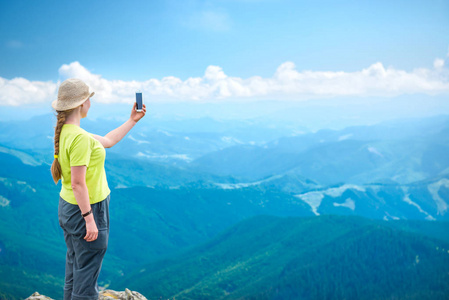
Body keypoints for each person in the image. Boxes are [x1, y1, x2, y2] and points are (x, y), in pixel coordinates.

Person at [50, 78, 146, 300]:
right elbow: (77, 183)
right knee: (87, 280)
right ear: (82, 103)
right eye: (89, 99)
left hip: (68, 208)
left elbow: (109, 141)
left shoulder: (66, 132)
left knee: (76, 269)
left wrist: (132, 120)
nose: (90, 104)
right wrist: (89, 218)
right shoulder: (80, 138)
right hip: (87, 209)